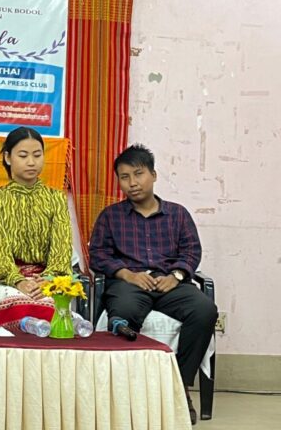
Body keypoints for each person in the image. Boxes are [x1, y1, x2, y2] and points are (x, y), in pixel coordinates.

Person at [89, 143, 218, 425]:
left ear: (153, 175)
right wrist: (127, 274)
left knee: (204, 310)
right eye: (125, 177)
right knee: (123, 314)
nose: (133, 183)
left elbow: (191, 251)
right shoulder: (111, 216)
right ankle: (128, 393)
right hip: (129, 283)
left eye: (139, 174)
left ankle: (178, 388)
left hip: (169, 283)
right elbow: (98, 255)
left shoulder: (178, 214)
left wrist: (177, 276)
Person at [0, 126, 73, 329]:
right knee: (20, 305)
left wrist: (48, 279)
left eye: (37, 155)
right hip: (4, 282)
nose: (31, 162)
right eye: (23, 155)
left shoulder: (56, 199)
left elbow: (62, 249)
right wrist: (18, 281)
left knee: (52, 308)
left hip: (48, 281)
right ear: (7, 158)